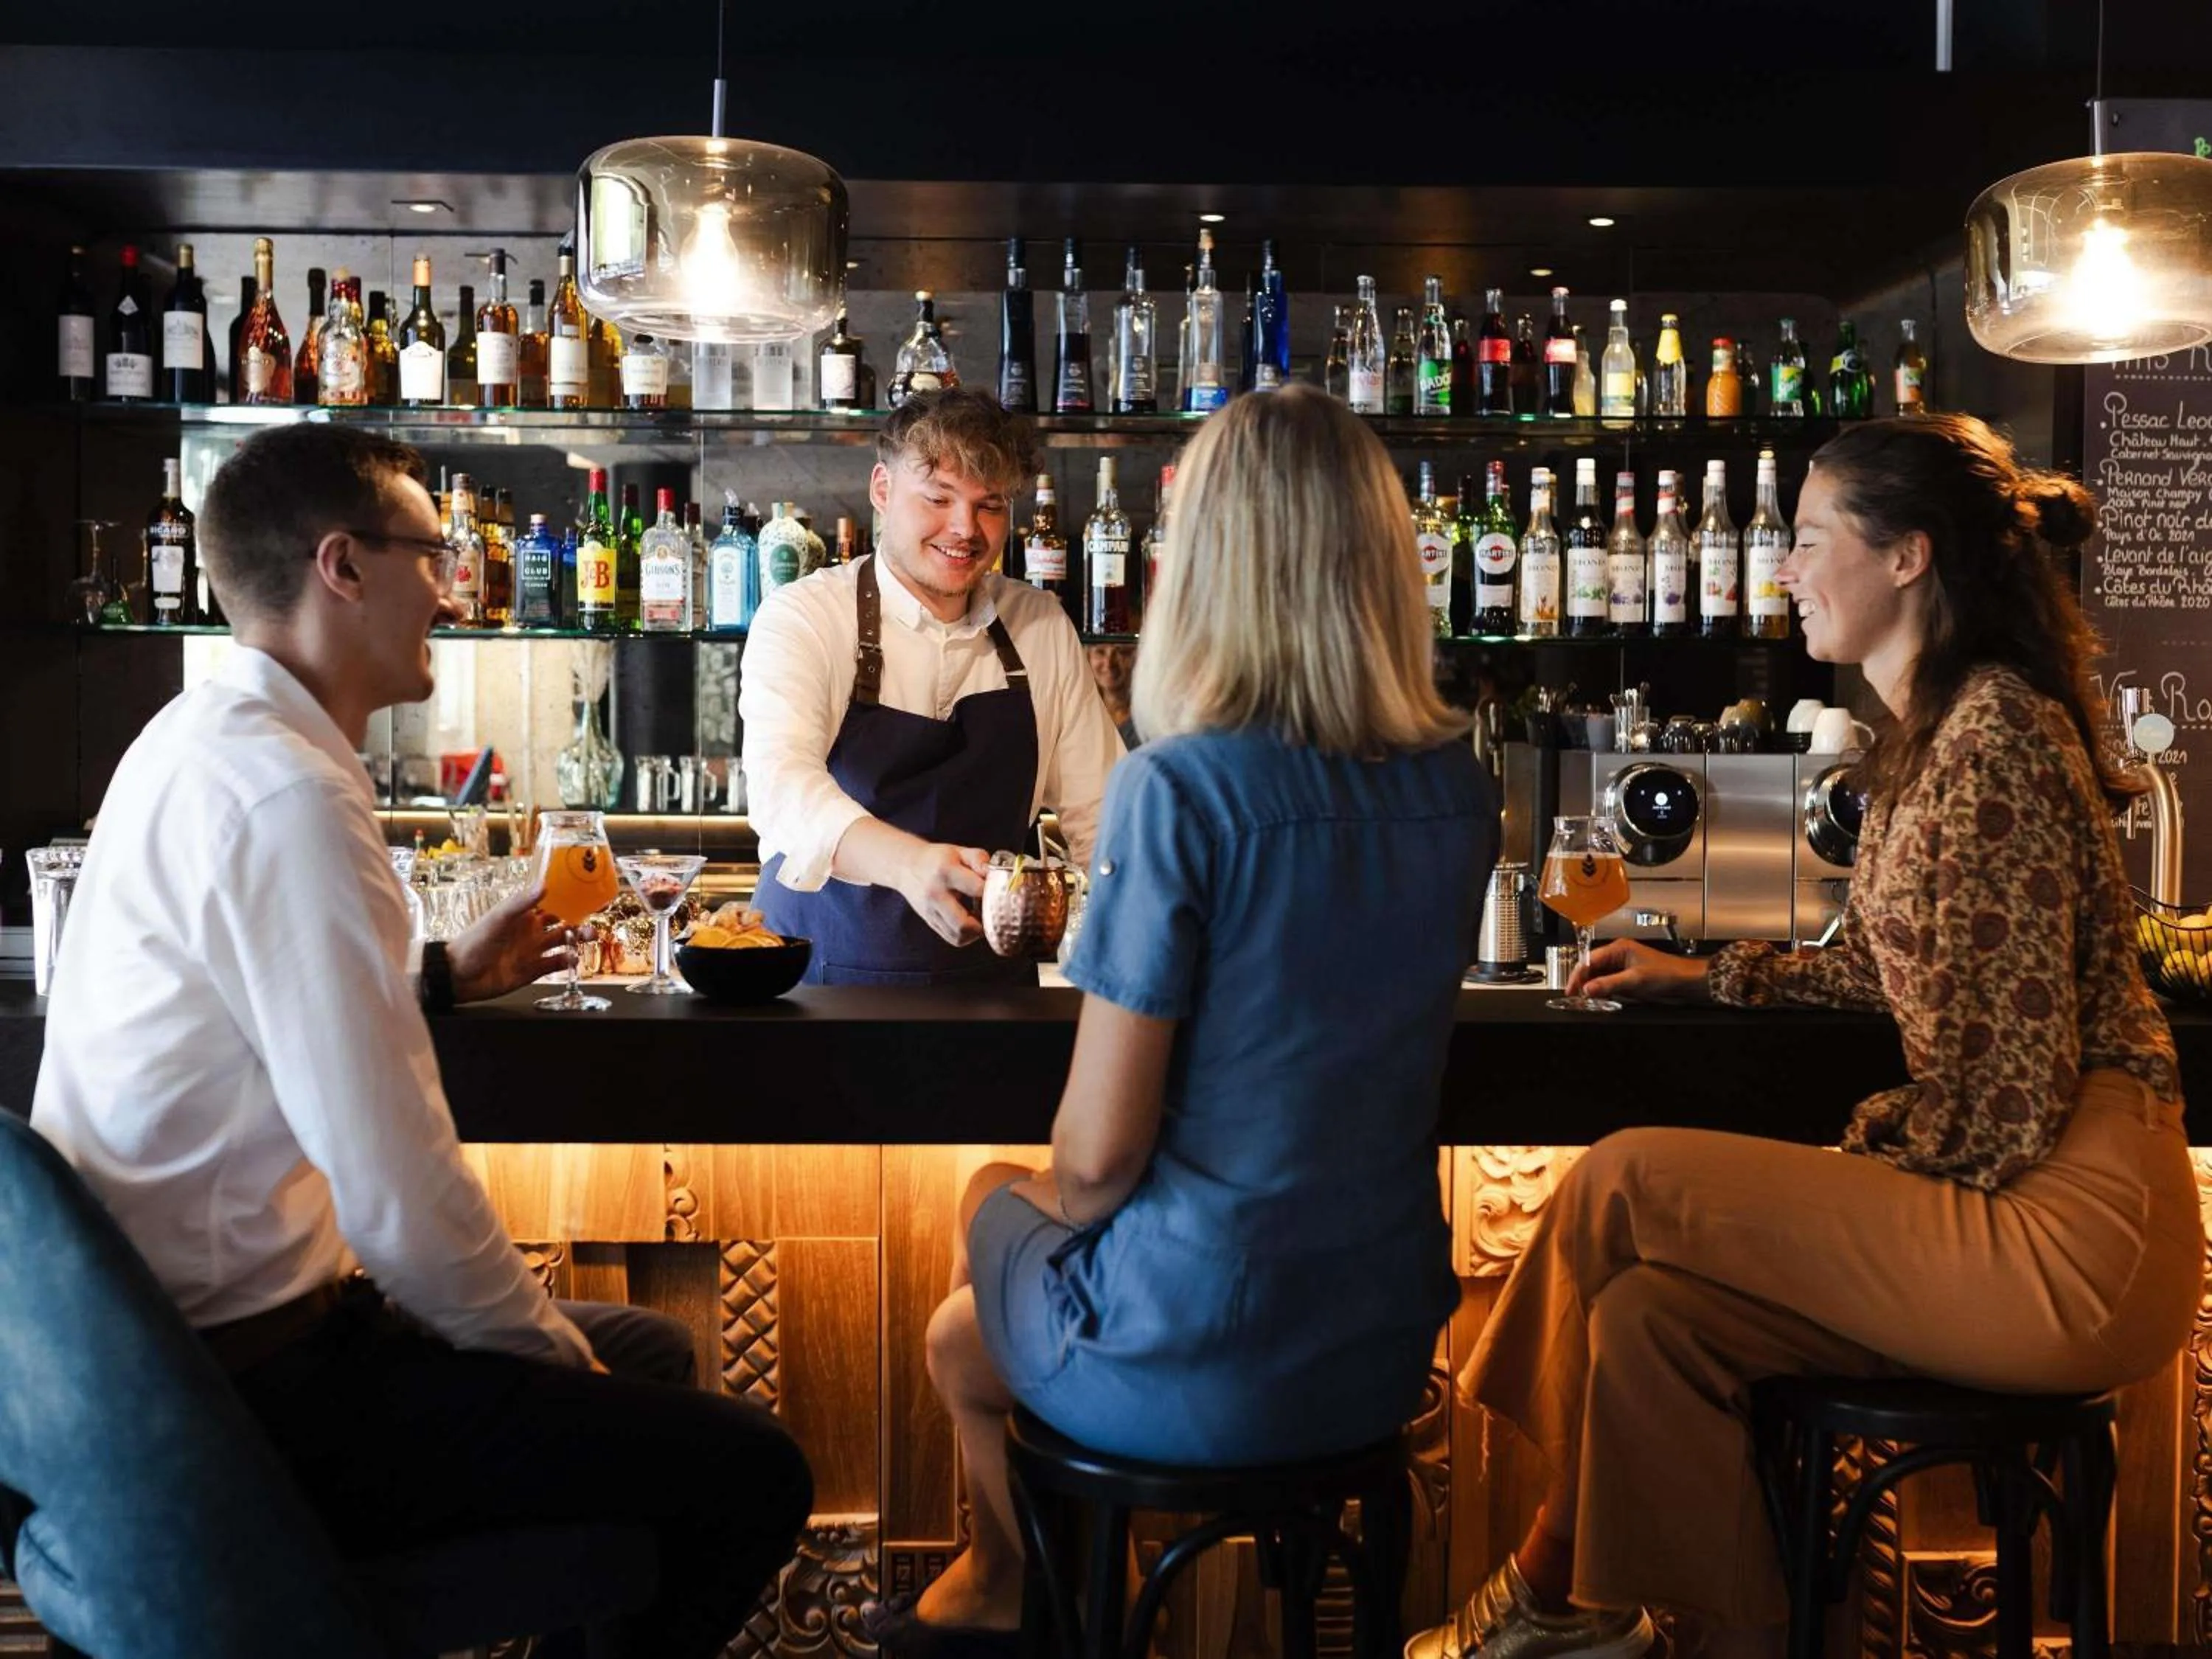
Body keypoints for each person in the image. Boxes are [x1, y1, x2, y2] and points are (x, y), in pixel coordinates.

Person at [1414, 414, 2199, 1659]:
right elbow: (1902, 979)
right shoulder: (1937, 732)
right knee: (1647, 1327)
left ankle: (1542, 1594)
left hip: (2069, 1228)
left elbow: (2009, 1093)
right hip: (2020, 1190)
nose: (1781, 568)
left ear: (1907, 558)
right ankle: (1696, 1631)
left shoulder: (1991, 736)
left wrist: (1855, 1164)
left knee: (1624, 1176)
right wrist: (1709, 975)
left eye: (1806, 537)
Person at [31, 423, 810, 1659]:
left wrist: (437, 972)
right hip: (248, 1403)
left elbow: (250, 1003)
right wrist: (549, 1360)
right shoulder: (288, 790)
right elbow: (395, 1196)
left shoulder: (194, 740)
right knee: (755, 1476)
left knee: (653, 1351)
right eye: (433, 554)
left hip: (152, 1367)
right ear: (342, 566)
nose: (455, 587)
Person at [868, 385, 1498, 1655]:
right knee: (965, 1328)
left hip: (1207, 1338)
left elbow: (1097, 1170)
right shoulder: (1459, 788)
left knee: (990, 1204)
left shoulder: (1181, 792)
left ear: (1205, 564)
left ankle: (1027, 1588)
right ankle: (1028, 1580)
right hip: (1377, 1344)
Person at [740, 389, 1124, 984]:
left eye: (990, 505)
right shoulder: (807, 616)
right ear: (883, 490)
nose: (965, 529)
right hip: (810, 989)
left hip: (992, 1001)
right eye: (939, 498)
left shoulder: (1040, 625)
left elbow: (1102, 817)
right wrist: (910, 864)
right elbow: (782, 791)